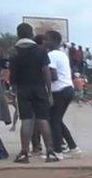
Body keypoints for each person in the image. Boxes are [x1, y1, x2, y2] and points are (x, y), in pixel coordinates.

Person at [10, 23, 58, 163]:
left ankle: (24, 153)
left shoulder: (15, 53)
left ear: (18, 35)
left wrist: (14, 92)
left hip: (23, 89)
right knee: (43, 119)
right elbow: (46, 72)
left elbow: (13, 78)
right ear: (31, 34)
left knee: (26, 120)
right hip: (39, 88)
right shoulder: (41, 51)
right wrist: (49, 93)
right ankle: (50, 152)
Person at [45, 31, 80, 158]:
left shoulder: (51, 55)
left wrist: (43, 79)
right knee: (57, 120)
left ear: (53, 41)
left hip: (59, 91)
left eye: (46, 39)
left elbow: (53, 76)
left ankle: (58, 151)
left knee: (54, 121)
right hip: (67, 89)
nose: (44, 41)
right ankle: (73, 148)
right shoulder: (63, 54)